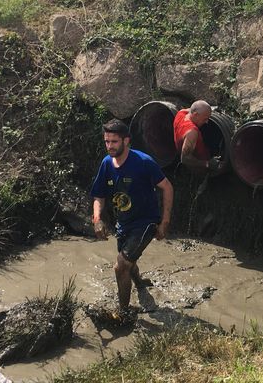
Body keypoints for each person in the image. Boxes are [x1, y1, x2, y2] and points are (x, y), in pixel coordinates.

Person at [91, 119, 174, 319]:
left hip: (145, 221)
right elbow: (98, 195)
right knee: (129, 262)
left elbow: (167, 187)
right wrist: (97, 219)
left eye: (114, 142)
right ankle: (139, 284)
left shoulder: (143, 162)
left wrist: (164, 222)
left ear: (126, 141)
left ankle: (123, 312)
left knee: (121, 266)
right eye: (107, 142)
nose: (110, 146)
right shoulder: (106, 164)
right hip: (124, 222)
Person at [173, 100, 222, 173]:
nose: (207, 122)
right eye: (205, 119)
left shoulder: (181, 113)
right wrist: (207, 163)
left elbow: (193, 108)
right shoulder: (192, 132)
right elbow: (185, 159)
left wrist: (210, 109)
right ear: (195, 115)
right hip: (199, 168)